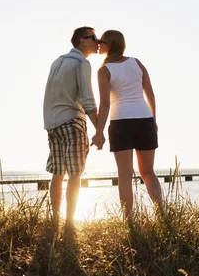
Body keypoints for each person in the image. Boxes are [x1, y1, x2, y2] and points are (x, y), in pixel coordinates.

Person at [92, 30, 162, 220]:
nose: (98, 44)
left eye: (101, 41)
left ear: (110, 44)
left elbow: (105, 103)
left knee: (124, 175)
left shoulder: (104, 70)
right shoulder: (137, 63)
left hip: (121, 122)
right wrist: (153, 120)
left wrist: (99, 133)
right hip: (144, 120)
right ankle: (162, 215)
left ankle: (128, 220)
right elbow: (151, 94)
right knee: (148, 172)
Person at [43, 26, 103, 232]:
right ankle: (69, 222)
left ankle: (54, 218)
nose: (98, 41)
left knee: (58, 174)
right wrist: (99, 130)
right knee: (75, 174)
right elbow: (88, 98)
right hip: (72, 122)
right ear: (81, 41)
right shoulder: (82, 63)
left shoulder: (57, 62)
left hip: (53, 124)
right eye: (94, 37)